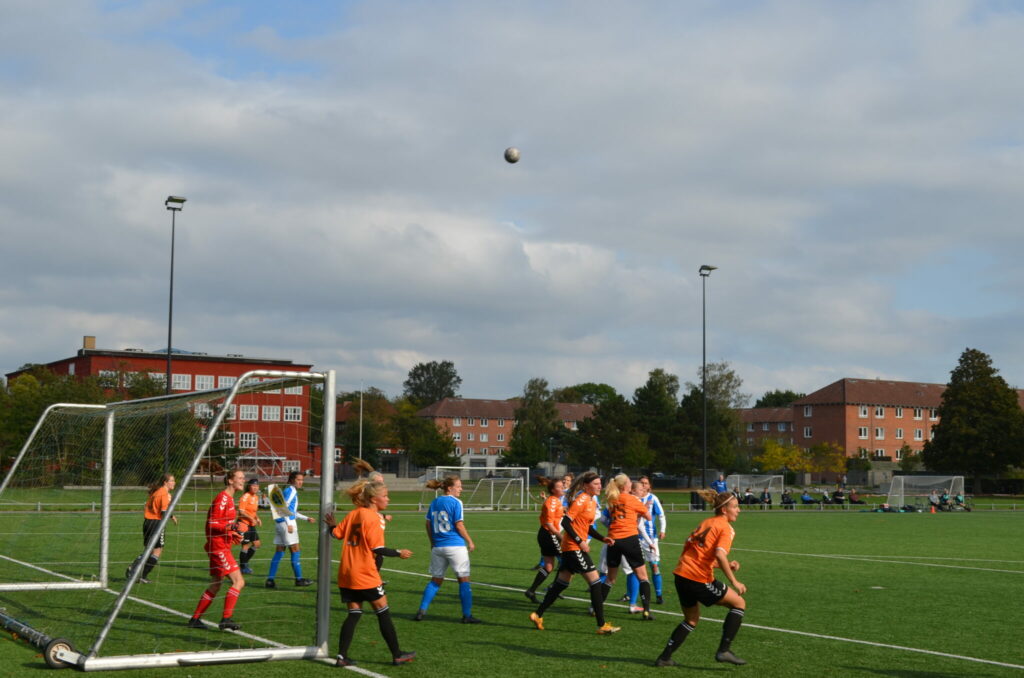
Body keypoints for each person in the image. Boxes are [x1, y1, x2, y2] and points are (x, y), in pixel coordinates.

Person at [323, 478, 415, 667]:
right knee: (383, 612)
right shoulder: (374, 518)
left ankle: (341, 656)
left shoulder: (354, 513)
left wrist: (332, 524)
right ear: (374, 499)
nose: (388, 499)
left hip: (346, 572)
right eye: (385, 496)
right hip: (364, 573)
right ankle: (397, 654)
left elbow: (335, 534)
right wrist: (399, 553)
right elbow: (377, 548)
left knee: (354, 613)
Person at [654, 489, 748, 667]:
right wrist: (734, 581)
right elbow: (720, 554)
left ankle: (664, 658)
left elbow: (695, 553)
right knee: (739, 604)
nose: (738, 510)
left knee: (691, 620)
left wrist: (725, 566)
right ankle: (724, 651)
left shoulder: (706, 523)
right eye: (735, 507)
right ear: (724, 510)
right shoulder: (726, 528)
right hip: (698, 579)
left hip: (681, 575)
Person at [529, 472, 620, 635]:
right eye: (596, 484)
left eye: (600, 483)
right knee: (595, 583)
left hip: (572, 548)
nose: (600, 486)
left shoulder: (592, 501)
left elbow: (587, 527)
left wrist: (602, 538)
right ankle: (602, 624)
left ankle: (538, 614)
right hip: (573, 547)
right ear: (586, 486)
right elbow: (565, 522)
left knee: (560, 585)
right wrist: (580, 541)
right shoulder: (583, 499)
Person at [414, 475, 481, 623]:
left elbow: (428, 524)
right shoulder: (456, 502)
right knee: (464, 580)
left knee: (435, 581)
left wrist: (432, 542)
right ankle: (467, 615)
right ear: (450, 488)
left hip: (438, 547)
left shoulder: (435, 502)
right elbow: (459, 524)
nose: (461, 489)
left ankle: (421, 611)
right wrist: (470, 541)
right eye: (459, 486)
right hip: (455, 546)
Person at [186, 469, 247, 631]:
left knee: (215, 584)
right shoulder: (223, 498)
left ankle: (195, 619)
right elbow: (212, 524)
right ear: (230, 481)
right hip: (218, 547)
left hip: (219, 545)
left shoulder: (229, 499)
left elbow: (222, 525)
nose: (243, 480)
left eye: (243, 478)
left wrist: (233, 535)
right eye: (240, 478)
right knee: (238, 581)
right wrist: (232, 526)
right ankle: (226, 618)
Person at [600, 474, 654, 620]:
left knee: (610, 579)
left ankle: (595, 607)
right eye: (630, 482)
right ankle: (646, 610)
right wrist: (643, 509)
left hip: (613, 540)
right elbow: (648, 517)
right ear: (625, 486)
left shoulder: (612, 500)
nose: (632, 484)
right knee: (643, 576)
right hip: (629, 539)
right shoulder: (632, 499)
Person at [266, 471, 316, 588]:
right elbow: (285, 507)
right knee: (295, 550)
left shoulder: (288, 490)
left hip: (279, 523)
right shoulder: (292, 490)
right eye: (298, 480)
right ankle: (299, 579)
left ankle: (270, 580)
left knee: (279, 551)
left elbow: (291, 510)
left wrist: (306, 518)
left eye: (302, 480)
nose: (300, 482)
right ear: (292, 480)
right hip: (287, 524)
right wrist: (288, 523)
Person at [127, 473, 179, 583]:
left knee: (149, 549)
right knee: (157, 551)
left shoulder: (156, 491)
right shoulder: (164, 493)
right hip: (156, 523)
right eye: (172, 481)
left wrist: (172, 516)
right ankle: (141, 574)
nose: (174, 483)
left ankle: (134, 568)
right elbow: (163, 512)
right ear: (165, 482)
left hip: (148, 522)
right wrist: (168, 517)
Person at [525, 476, 564, 603]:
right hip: (549, 534)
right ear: (553, 490)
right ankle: (553, 589)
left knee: (548, 566)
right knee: (566, 562)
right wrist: (561, 537)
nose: (562, 487)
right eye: (559, 486)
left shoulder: (555, 500)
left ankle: (531, 591)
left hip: (546, 534)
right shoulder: (552, 501)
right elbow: (549, 523)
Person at [636, 476, 667, 605]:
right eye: (641, 483)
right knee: (635, 568)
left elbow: (661, 515)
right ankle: (630, 595)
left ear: (649, 486)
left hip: (650, 538)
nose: (643, 485)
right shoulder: (633, 498)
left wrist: (662, 530)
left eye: (646, 483)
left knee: (654, 565)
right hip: (634, 537)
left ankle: (659, 595)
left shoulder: (652, 499)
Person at [237, 478, 262, 574]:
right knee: (245, 546)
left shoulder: (255, 497)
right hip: (243, 524)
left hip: (251, 524)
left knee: (257, 544)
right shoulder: (245, 496)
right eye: (253, 485)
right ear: (249, 486)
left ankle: (244, 563)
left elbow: (253, 511)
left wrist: (257, 518)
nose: (255, 487)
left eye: (257, 486)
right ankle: (243, 567)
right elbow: (241, 511)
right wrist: (251, 519)